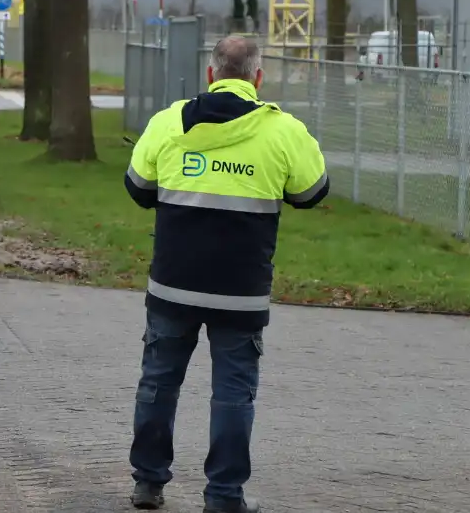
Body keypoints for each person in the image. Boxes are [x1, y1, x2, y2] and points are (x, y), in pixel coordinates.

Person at [124, 36, 329, 513]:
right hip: (240, 292)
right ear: (258, 78)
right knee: (234, 393)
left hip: (172, 285)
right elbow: (312, 191)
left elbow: (138, 187)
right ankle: (223, 496)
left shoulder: (169, 122)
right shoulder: (282, 130)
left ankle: (148, 483)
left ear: (211, 75)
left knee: (158, 382)